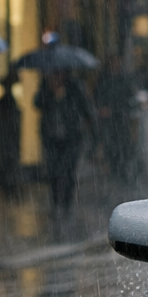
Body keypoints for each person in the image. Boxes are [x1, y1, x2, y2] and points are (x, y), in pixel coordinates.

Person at [35, 70, 95, 214]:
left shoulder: (75, 87)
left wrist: (89, 129)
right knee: (53, 171)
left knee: (68, 171)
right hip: (52, 137)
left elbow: (86, 108)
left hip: (71, 137)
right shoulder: (47, 86)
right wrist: (51, 92)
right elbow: (37, 103)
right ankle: (56, 202)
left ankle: (67, 203)